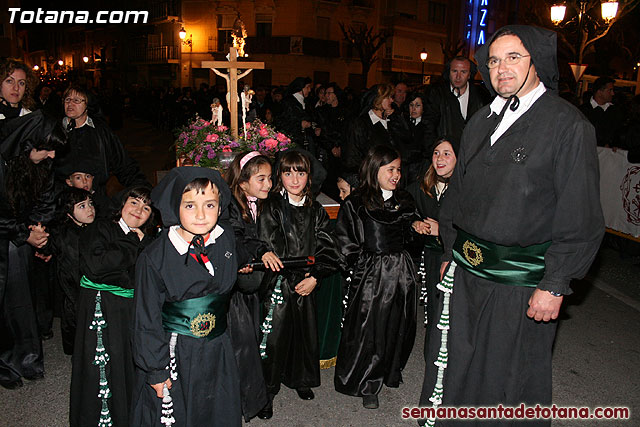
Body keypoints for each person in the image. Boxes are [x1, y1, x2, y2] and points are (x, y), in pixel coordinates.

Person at [419, 26, 604, 426]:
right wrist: (452, 251)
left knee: (510, 380)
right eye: (494, 60)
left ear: (536, 61)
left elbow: (580, 215)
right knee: (462, 366)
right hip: (468, 275)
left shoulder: (567, 127)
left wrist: (555, 283)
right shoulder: (482, 120)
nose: (501, 68)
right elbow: (458, 195)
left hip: (520, 283)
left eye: (513, 57)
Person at [130, 168, 242, 426]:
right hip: (176, 350)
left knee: (216, 407)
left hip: (217, 347)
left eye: (210, 205)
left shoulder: (224, 241)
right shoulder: (155, 257)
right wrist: (155, 370)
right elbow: (145, 318)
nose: (202, 215)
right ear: (174, 206)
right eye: (190, 205)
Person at [334, 145, 426, 409]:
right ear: (374, 170)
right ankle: (367, 383)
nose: (396, 174)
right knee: (369, 328)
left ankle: (389, 370)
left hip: (401, 272)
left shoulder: (406, 200)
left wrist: (416, 228)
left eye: (398, 169)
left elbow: (411, 236)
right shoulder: (357, 201)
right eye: (390, 169)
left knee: (398, 323)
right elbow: (344, 239)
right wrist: (362, 264)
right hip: (372, 274)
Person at [257, 150, 339, 417]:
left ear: (309, 177)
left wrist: (315, 277)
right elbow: (272, 244)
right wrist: (296, 277)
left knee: (303, 334)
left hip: (306, 282)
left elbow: (328, 247)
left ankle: (300, 379)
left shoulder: (315, 210)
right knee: (274, 338)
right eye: (288, 172)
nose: (295, 179)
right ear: (280, 175)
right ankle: (266, 391)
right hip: (279, 282)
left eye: (300, 173)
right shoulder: (271, 206)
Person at [70, 186, 156, 426]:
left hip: (129, 311)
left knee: (128, 365)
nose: (139, 210)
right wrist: (132, 244)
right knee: (105, 368)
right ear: (122, 203)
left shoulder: (147, 240)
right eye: (134, 202)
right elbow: (97, 266)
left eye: (146, 207)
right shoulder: (101, 228)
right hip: (103, 309)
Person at [0, 111, 67, 389]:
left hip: (22, 237)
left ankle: (28, 359)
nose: (51, 157)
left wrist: (39, 230)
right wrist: (25, 233)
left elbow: (46, 198)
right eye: (47, 149)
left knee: (23, 299)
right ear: (27, 143)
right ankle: (5, 365)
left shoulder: (40, 162)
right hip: (9, 234)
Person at [225, 151, 282, 421]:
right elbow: (236, 238)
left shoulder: (267, 203)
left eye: (270, 178)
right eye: (261, 179)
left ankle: (261, 396)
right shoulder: (231, 206)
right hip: (238, 289)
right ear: (242, 182)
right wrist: (259, 252)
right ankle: (242, 401)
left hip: (261, 283)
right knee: (244, 346)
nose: (268, 184)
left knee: (265, 341)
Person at [54, 85, 149, 198]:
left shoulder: (101, 132)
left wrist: (143, 190)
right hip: (62, 197)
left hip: (96, 199)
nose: (70, 104)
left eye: (76, 100)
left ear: (87, 105)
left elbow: (123, 164)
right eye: (67, 99)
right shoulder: (54, 130)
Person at [42, 188, 96, 355]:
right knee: (75, 317)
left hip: (86, 285)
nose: (89, 209)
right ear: (68, 212)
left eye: (90, 203)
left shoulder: (91, 228)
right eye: (82, 206)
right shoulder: (66, 235)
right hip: (74, 286)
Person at [341, 84, 412, 175]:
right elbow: (352, 157)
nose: (392, 100)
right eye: (388, 97)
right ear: (378, 99)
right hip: (371, 177)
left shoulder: (391, 120)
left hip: (393, 176)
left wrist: (396, 117)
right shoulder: (361, 123)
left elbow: (407, 138)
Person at [423, 56, 488, 149]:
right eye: (454, 71)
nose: (458, 77)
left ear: (469, 74)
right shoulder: (437, 94)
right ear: (448, 73)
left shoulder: (481, 95)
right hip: (446, 153)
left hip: (473, 153)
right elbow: (428, 126)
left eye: (463, 72)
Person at [578, 76, 626, 148]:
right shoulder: (583, 111)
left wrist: (614, 144)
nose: (613, 93)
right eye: (610, 90)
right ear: (599, 92)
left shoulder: (615, 112)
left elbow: (619, 133)